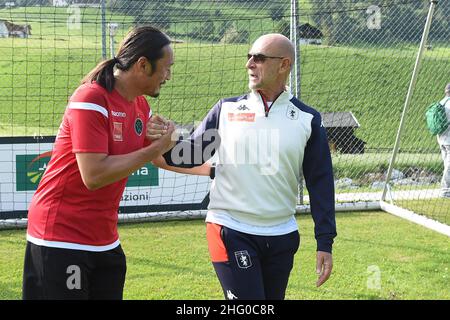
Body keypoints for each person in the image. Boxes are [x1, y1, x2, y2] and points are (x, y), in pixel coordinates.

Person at [151, 33, 337, 300]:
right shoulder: (225, 110)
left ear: (284, 64)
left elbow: (321, 183)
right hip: (230, 229)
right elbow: (190, 155)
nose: (249, 64)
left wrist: (325, 241)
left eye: (259, 58)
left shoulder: (308, 119)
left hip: (282, 236)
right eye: (249, 57)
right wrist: (166, 142)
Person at [22, 26, 177, 300]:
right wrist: (156, 146)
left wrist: (217, 165)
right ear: (143, 65)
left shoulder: (140, 106)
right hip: (60, 238)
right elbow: (93, 175)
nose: (169, 76)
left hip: (104, 240)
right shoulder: (91, 98)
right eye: (166, 68)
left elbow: (159, 156)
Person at [437, 83, 450, 198]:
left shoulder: (441, 102)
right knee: (449, 165)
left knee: (447, 163)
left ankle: (446, 189)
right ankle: (445, 191)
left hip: (441, 138)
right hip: (449, 139)